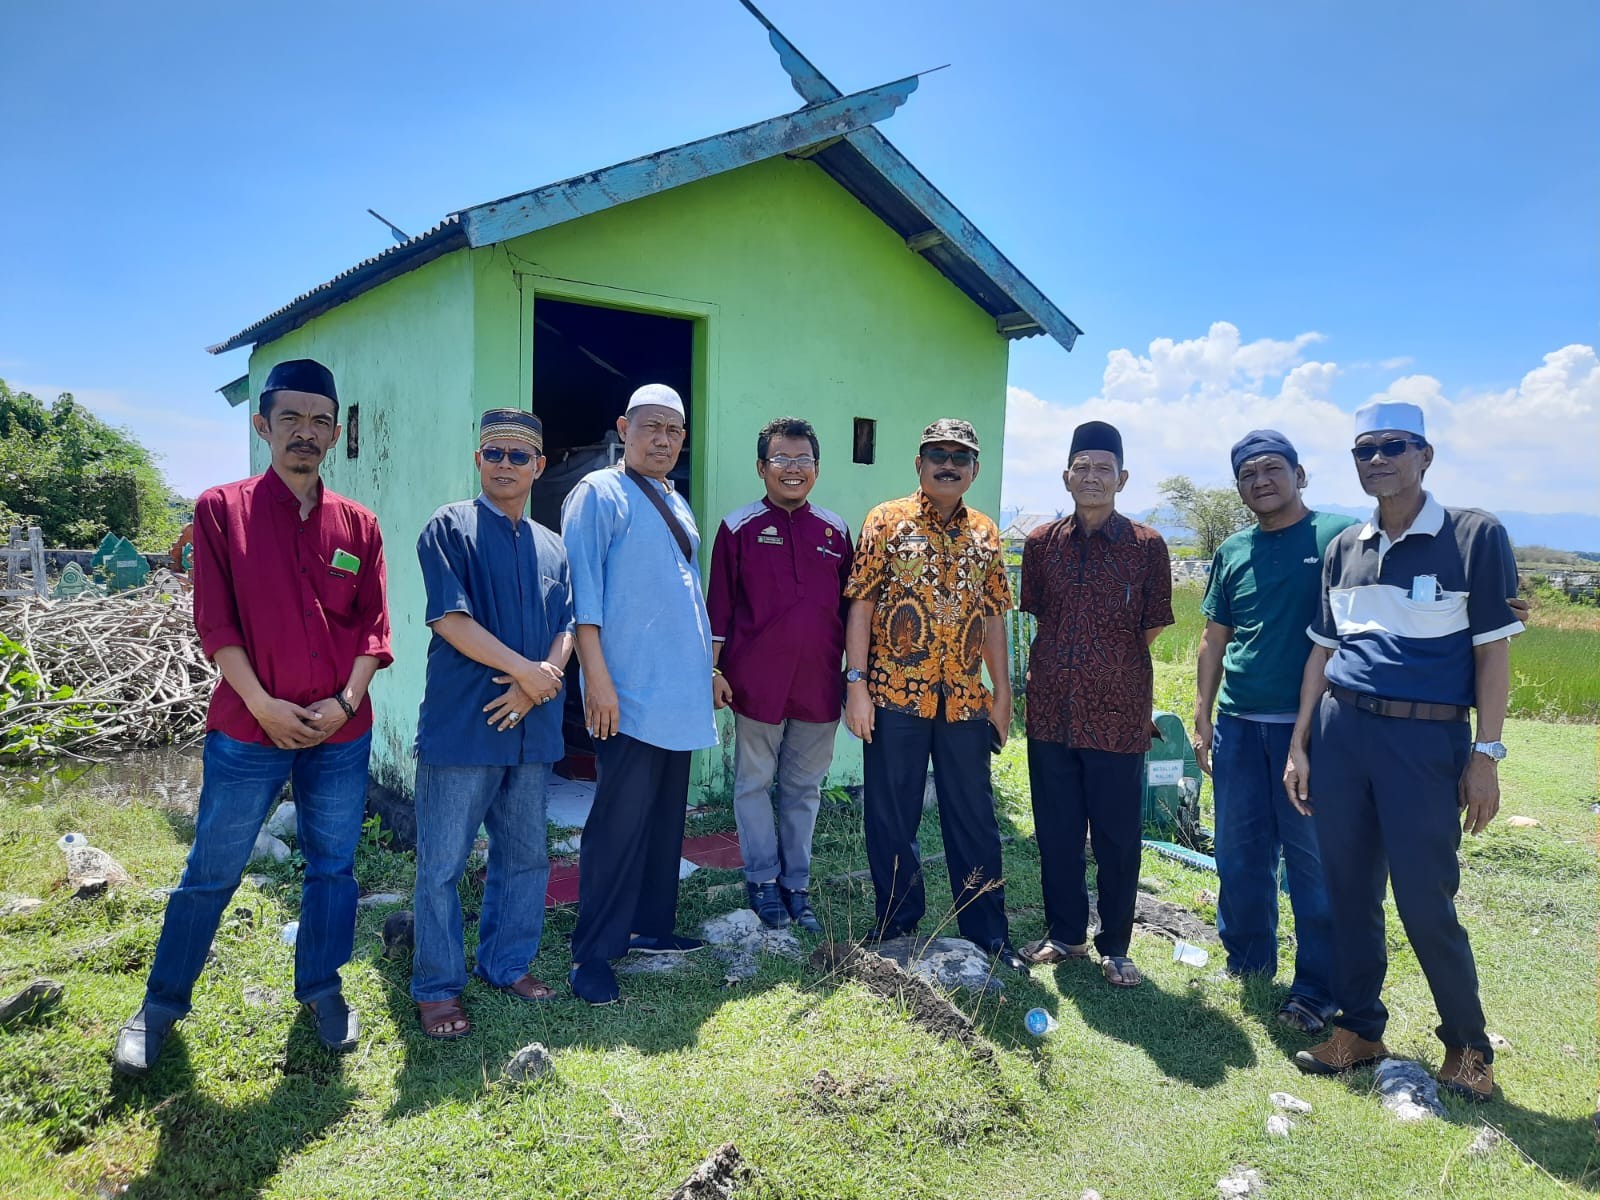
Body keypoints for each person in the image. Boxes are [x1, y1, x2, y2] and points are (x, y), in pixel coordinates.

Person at [114, 359, 391, 1076]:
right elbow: (216, 623)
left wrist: (345, 702)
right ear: (263, 425)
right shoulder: (220, 511)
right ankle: (159, 1006)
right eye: (290, 417)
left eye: (320, 420)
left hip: (339, 732)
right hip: (248, 729)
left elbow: (373, 630)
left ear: (335, 431)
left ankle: (322, 989)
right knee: (212, 868)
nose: (306, 432)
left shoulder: (359, 525)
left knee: (333, 869)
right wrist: (265, 706)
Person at [1285, 401, 1523, 1102]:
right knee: (1348, 891)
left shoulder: (1474, 535)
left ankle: (1468, 1048)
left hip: (1424, 741)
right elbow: (1322, 654)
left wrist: (1485, 755)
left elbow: (1493, 654)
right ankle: (1359, 1029)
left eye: (1393, 446)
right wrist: (1300, 744)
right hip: (1341, 733)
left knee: (1425, 898)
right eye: (1365, 450)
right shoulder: (1344, 548)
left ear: (1425, 455)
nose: (1378, 459)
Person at [409, 409, 575, 1039]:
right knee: (442, 865)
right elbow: (449, 619)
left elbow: (568, 624)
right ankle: (437, 987)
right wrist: (526, 673)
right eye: (495, 453)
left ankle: (506, 964)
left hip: (532, 729)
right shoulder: (449, 527)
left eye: (519, 455)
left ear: (539, 465)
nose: (506, 464)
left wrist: (540, 683)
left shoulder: (552, 545)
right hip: (464, 726)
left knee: (526, 856)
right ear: (478, 460)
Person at [843, 418, 1024, 972]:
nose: (949, 464)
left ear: (975, 469)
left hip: (965, 698)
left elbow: (994, 616)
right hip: (894, 694)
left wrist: (1002, 693)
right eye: (937, 455)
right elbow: (861, 605)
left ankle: (988, 932)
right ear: (919, 464)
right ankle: (897, 922)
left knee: (974, 817)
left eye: (960, 456)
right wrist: (856, 686)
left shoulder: (986, 533)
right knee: (891, 816)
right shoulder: (886, 520)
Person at [560, 383, 717, 1005]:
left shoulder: (675, 500)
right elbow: (583, 593)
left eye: (674, 430)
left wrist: (706, 671)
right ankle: (593, 953)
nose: (662, 439)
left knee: (662, 818)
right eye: (651, 426)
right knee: (617, 824)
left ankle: (651, 925)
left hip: (677, 690)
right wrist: (596, 679)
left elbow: (687, 594)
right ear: (624, 429)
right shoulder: (598, 493)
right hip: (626, 693)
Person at [1193, 430, 1348, 1031]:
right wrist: (1203, 713)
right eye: (1247, 474)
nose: (1260, 481)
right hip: (1237, 725)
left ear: (1299, 474)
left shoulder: (1339, 535)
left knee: (1311, 862)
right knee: (1238, 853)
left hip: (1311, 730)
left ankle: (1317, 988)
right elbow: (1215, 638)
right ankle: (1248, 962)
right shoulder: (1234, 549)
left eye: (1272, 469)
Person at [1017, 420, 1172, 988]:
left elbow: (1152, 626)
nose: (1091, 477)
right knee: (1056, 831)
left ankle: (1116, 945)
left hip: (1117, 714)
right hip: (1051, 712)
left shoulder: (1147, 547)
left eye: (1103, 468)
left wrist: (1106, 667)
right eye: (1081, 467)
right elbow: (1040, 613)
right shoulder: (1041, 544)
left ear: (1122, 479)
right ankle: (1066, 933)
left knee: (1116, 837)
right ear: (1066, 476)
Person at [707, 416, 853, 934]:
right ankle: (762, 880)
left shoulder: (836, 531)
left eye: (803, 460)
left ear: (817, 468)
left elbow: (852, 612)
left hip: (819, 685)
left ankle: (796, 885)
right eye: (781, 460)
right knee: (753, 784)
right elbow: (719, 607)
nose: (793, 469)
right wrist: (715, 669)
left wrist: (855, 678)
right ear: (761, 467)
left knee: (803, 789)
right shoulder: (738, 528)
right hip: (755, 685)